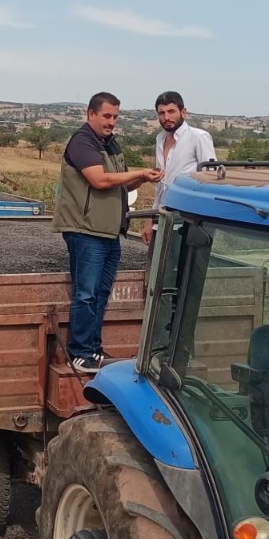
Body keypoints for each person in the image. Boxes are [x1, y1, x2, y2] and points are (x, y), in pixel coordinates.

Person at [53, 92, 161, 374]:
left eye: (115, 117)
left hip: (109, 232)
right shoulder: (82, 142)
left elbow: (120, 185)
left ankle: (93, 349)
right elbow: (100, 180)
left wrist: (142, 176)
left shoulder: (110, 145)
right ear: (91, 114)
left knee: (100, 293)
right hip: (85, 230)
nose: (111, 122)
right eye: (106, 116)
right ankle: (79, 352)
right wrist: (138, 172)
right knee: (86, 294)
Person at [144, 91, 216, 243]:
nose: (166, 118)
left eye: (171, 111)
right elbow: (161, 185)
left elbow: (211, 179)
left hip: (187, 220)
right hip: (162, 218)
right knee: (157, 265)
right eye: (161, 113)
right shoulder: (160, 139)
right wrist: (151, 219)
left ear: (183, 112)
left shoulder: (198, 137)